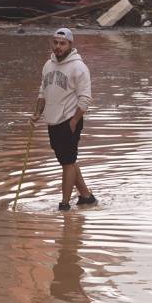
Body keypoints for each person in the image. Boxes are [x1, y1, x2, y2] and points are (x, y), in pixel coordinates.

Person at [33, 28, 96, 211]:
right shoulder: (48, 65)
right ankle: (86, 196)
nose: (58, 47)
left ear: (70, 45)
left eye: (62, 43)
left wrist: (74, 122)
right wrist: (37, 114)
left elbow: (86, 99)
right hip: (52, 120)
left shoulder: (79, 67)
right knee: (67, 160)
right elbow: (42, 92)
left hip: (69, 120)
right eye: (56, 43)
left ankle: (65, 204)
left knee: (67, 163)